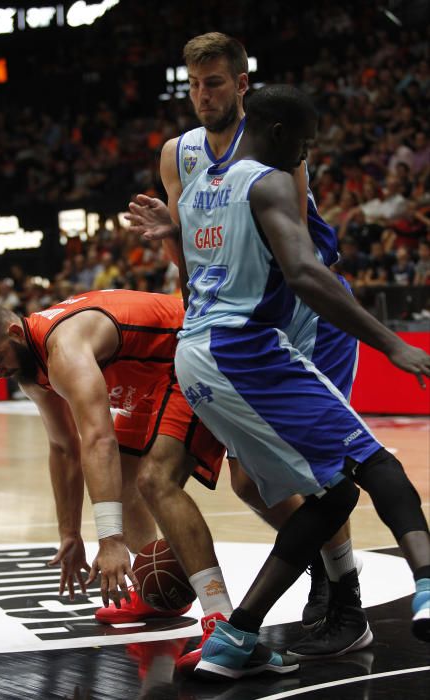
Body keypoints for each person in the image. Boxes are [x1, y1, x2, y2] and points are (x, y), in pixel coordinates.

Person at [137, 84, 430, 680]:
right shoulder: (265, 181)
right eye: (300, 143)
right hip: (247, 347)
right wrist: (393, 342)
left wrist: (174, 233)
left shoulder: (194, 188)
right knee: (376, 463)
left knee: (326, 494)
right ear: (274, 130)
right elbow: (305, 273)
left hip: (195, 354)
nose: (302, 157)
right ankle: (427, 583)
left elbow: (196, 271)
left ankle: (237, 635)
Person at [128, 31, 367, 667]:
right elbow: (199, 258)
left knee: (325, 474)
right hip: (233, 328)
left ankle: (347, 599)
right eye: (194, 85)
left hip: (304, 318)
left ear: (241, 86)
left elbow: (287, 253)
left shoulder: (272, 141)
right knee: (247, 483)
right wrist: (170, 237)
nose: (203, 96)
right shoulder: (176, 154)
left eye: (215, 83)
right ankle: (323, 568)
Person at [0, 291, 299, 676]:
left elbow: (97, 439)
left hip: (195, 351)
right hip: (152, 384)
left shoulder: (63, 346)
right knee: (121, 482)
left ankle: (221, 621)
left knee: (156, 482)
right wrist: (69, 533)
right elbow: (63, 448)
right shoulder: (31, 373)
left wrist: (111, 539)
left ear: (15, 332)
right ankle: (158, 591)